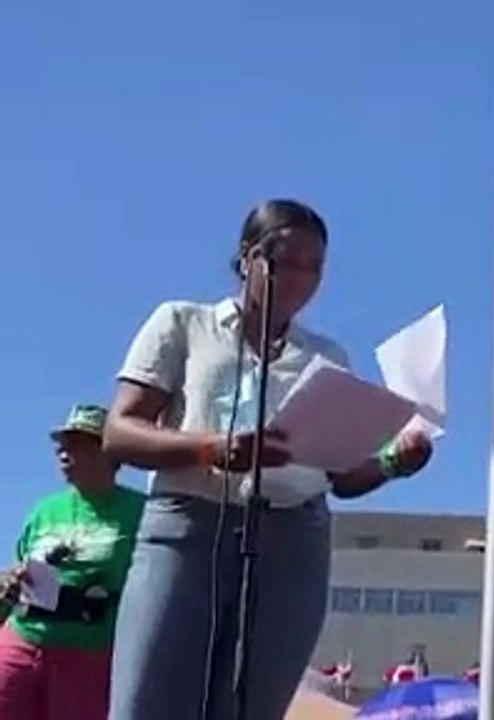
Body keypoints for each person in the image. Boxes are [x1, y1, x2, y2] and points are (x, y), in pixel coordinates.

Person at [103, 199, 433, 720]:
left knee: (250, 706)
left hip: (293, 540)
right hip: (189, 525)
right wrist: (210, 447)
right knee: (147, 701)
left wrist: (395, 461)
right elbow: (119, 432)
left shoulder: (327, 357)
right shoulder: (184, 323)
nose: (300, 277)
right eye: (286, 260)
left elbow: (340, 476)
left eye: (314, 267)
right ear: (248, 257)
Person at [0, 405, 145, 720]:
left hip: (90, 654)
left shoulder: (140, 512)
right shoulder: (44, 510)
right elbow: (17, 571)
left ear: (110, 452)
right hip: (23, 640)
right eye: (62, 447)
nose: (63, 454)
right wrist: (9, 582)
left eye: (77, 445)